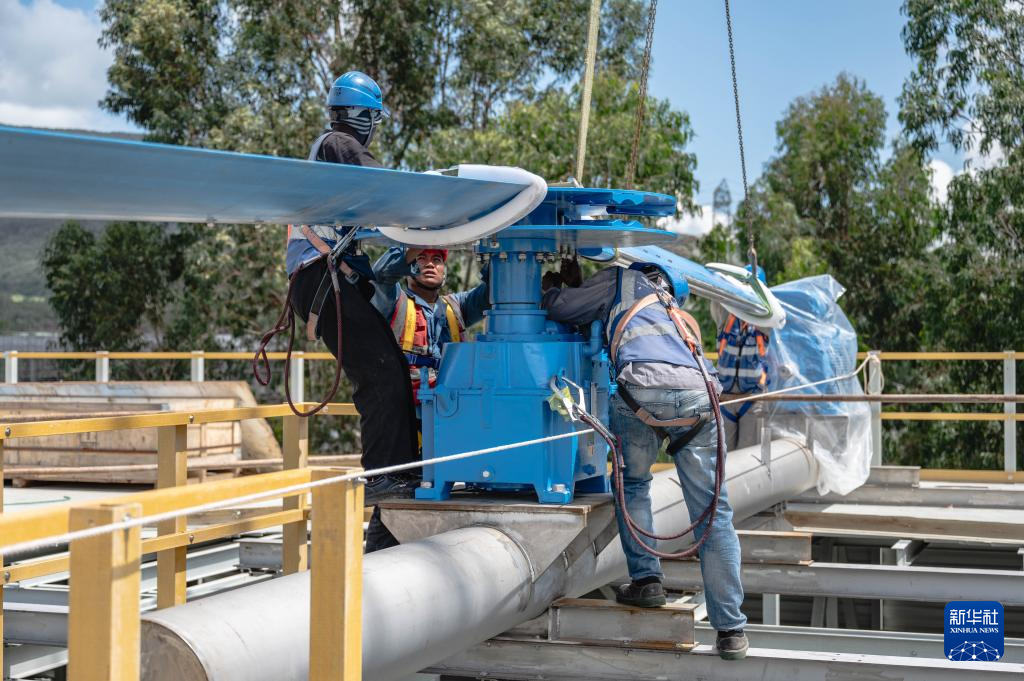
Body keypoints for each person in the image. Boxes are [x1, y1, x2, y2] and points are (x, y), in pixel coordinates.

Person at [542, 258, 749, 661]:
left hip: (641, 391)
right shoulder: (674, 311)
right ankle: (731, 631)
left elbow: (563, 309)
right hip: (700, 398)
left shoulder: (621, 279)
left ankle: (647, 580)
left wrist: (551, 289)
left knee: (633, 482)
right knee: (713, 513)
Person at [285, 71, 420, 552]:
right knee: (381, 372)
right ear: (364, 116)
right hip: (322, 278)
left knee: (390, 369)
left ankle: (394, 485)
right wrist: (428, 209)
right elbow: (381, 185)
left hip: (325, 278)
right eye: (373, 121)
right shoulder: (339, 144)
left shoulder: (329, 151)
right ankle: (386, 479)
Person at [371, 247, 490, 401]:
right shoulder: (394, 302)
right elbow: (381, 276)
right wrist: (416, 243)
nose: (430, 264)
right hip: (404, 405)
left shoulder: (457, 306)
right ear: (407, 269)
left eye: (436, 260)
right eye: (421, 258)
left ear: (444, 272)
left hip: (452, 405)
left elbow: (495, 290)